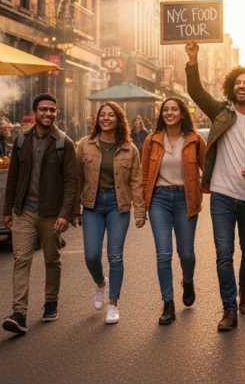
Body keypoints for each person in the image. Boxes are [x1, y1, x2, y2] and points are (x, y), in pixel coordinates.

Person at [185, 40, 245, 331]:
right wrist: (193, 59)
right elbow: (195, 91)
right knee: (223, 253)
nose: (242, 86)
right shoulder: (220, 112)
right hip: (222, 197)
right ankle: (229, 309)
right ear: (232, 87)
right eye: (237, 82)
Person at [1, 93, 78, 335]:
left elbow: (71, 182)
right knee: (21, 260)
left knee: (51, 260)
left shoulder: (64, 143)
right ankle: (19, 313)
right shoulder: (21, 140)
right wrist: (7, 210)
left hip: (51, 213)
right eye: (43, 109)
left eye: (52, 110)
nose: (48, 113)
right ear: (34, 113)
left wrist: (65, 214)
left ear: (57, 113)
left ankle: (51, 302)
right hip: (23, 211)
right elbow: (13, 176)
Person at [74, 102, 144, 325]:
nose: (105, 118)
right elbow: (77, 179)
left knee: (115, 256)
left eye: (110, 115)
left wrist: (139, 211)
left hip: (118, 205)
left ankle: (113, 305)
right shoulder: (84, 145)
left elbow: (136, 182)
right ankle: (101, 284)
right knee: (91, 256)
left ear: (118, 119)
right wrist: (73, 209)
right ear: (97, 119)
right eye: (102, 115)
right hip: (92, 206)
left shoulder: (129, 149)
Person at [141, 97, 207, 325]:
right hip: (158, 199)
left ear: (182, 114)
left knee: (186, 253)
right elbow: (144, 175)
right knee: (163, 253)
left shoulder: (195, 140)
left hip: (185, 199)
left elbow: (206, 170)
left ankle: (187, 281)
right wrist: (142, 206)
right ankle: (168, 303)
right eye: (165, 110)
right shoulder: (151, 140)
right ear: (162, 114)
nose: (169, 113)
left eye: (174, 109)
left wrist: (204, 193)